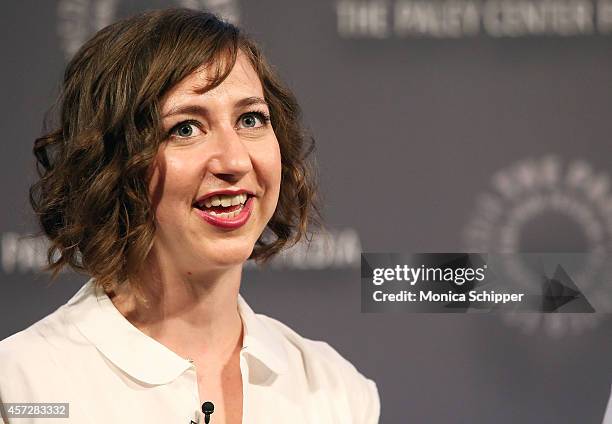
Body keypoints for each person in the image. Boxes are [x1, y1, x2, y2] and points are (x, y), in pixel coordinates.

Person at [0, 8, 380, 424]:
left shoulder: (336, 391)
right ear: (111, 162)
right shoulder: (22, 387)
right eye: (185, 128)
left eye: (250, 119)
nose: (234, 159)